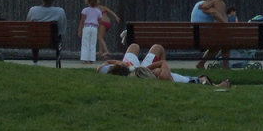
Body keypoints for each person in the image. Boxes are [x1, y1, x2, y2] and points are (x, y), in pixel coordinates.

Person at [97, 43, 231, 87]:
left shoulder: (107, 70)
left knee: (134, 46)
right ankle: (215, 85)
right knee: (157, 48)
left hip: (132, 68)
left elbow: (101, 68)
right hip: (136, 69)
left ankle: (214, 84)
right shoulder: (163, 77)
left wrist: (113, 62)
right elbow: (163, 64)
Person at [26, 0, 67, 64]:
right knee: (58, 36)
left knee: (34, 35)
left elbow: (28, 25)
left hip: (36, 40)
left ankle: (35, 61)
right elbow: (62, 29)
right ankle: (57, 60)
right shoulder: (59, 11)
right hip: (53, 41)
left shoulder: (33, 10)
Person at [78, 0, 103, 64]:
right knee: (93, 43)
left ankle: (85, 59)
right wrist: (99, 32)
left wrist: (79, 30)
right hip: (94, 28)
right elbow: (100, 22)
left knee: (85, 43)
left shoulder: (85, 10)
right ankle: (92, 59)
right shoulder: (98, 11)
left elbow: (82, 21)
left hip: (86, 27)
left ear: (88, 1)